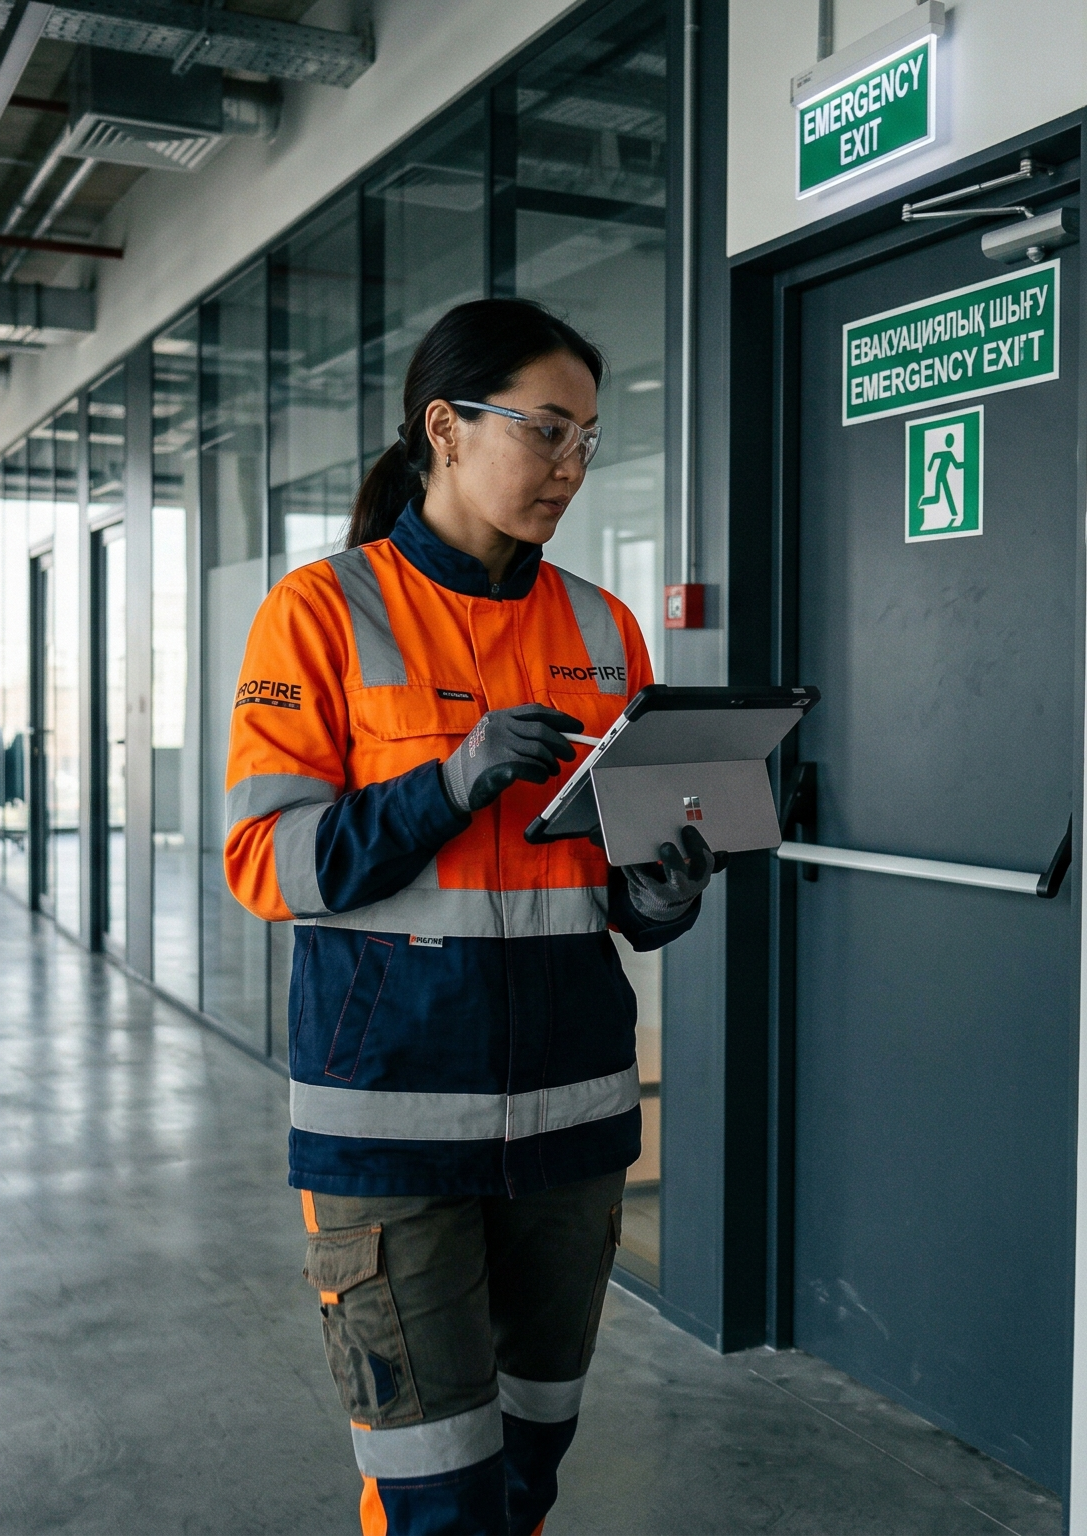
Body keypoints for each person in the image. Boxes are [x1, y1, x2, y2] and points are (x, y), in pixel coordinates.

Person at [222, 298, 712, 1536]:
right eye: (545, 429)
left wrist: (659, 894)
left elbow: (611, 875)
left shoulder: (603, 628)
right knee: (435, 1491)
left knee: (530, 1465)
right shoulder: (321, 611)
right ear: (444, 427)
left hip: (571, 1120)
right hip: (390, 1122)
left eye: (587, 438)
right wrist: (446, 786)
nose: (570, 465)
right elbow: (265, 861)